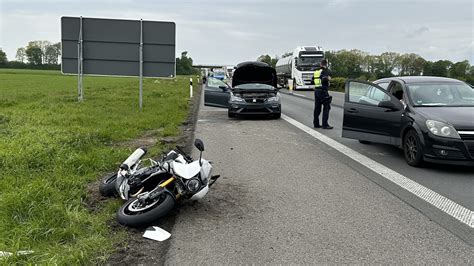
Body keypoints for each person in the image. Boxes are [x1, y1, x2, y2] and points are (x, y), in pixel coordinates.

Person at [313, 59, 333, 129]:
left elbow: (312, 80)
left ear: (320, 64)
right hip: (323, 91)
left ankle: (316, 123)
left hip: (316, 90)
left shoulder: (316, 71)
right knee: (326, 107)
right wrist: (328, 80)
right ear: (326, 64)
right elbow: (325, 79)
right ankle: (325, 124)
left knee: (317, 108)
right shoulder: (326, 71)